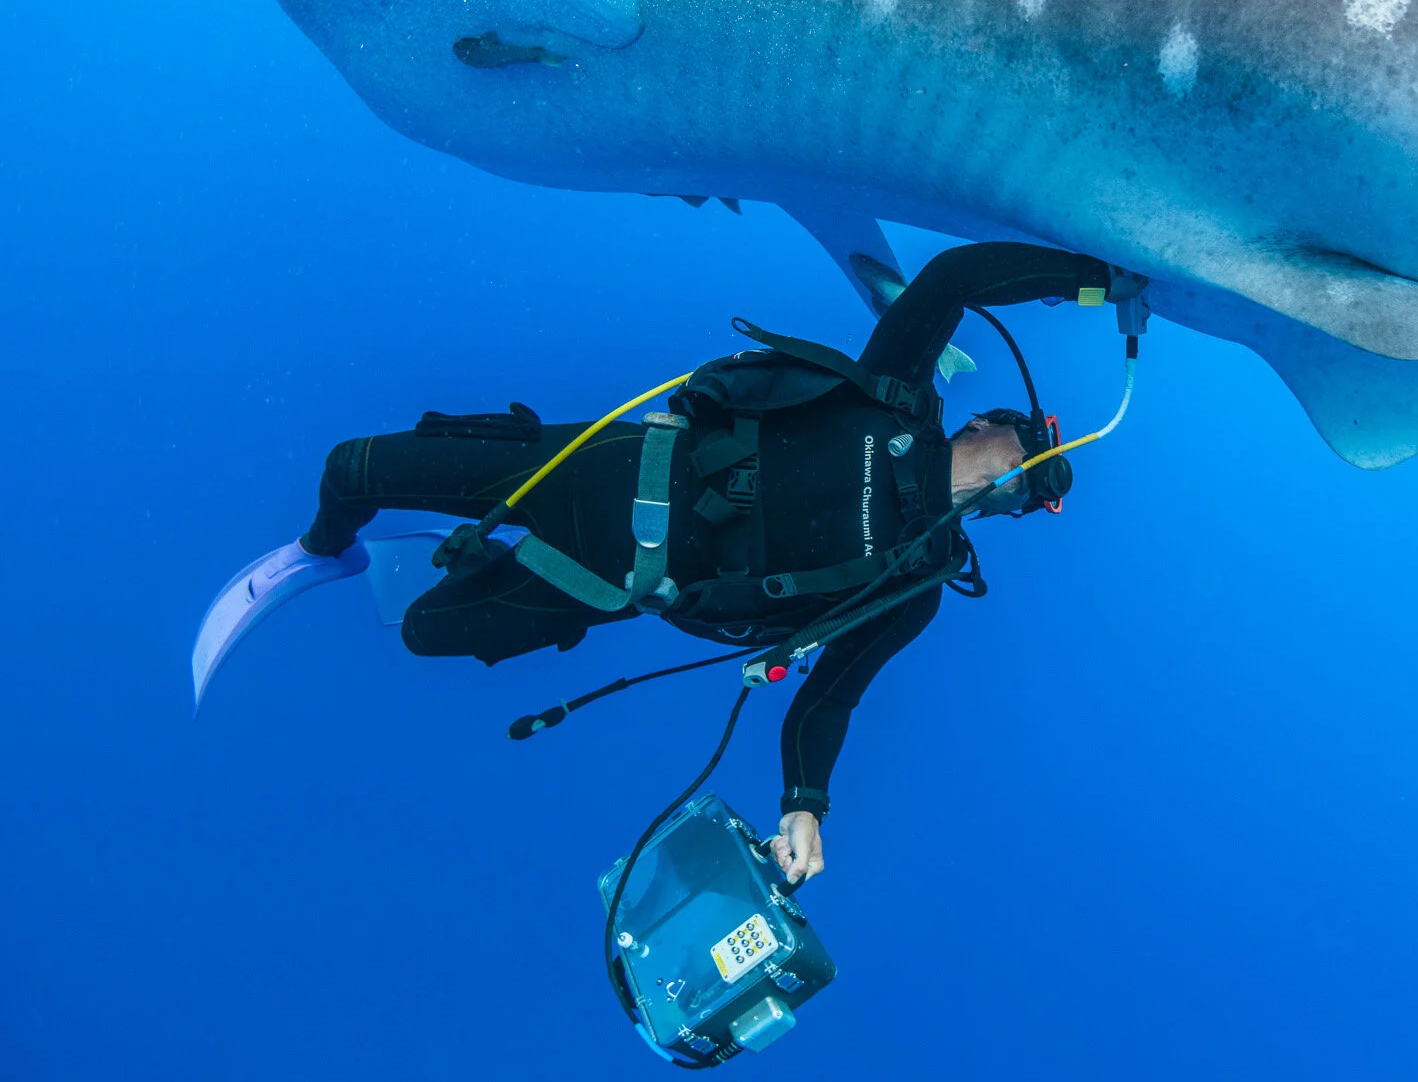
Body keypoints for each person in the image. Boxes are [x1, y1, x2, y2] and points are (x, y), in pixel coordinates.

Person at [192, 243, 1140, 887]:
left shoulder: (912, 583)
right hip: (600, 470)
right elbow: (955, 277)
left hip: (617, 586)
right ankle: (319, 556)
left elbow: (827, 701)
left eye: (1045, 496)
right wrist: (1099, 278)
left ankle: (445, 578)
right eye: (1042, 453)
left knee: (427, 635)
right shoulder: (895, 397)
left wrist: (805, 806)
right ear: (989, 421)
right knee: (351, 468)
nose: (1038, 480)